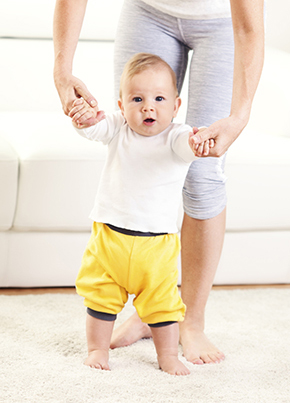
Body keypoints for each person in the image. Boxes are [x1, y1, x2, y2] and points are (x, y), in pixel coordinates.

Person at [54, 0, 264, 365]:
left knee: (203, 172)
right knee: (134, 134)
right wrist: (62, 70)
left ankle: (191, 321)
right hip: (148, 10)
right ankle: (148, 315)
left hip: (221, 23)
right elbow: (106, 127)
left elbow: (248, 26)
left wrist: (240, 116)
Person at [71, 52, 215, 375]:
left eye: (159, 99)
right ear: (122, 105)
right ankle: (97, 350)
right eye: (137, 99)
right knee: (100, 299)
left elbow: (187, 147)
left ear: (176, 106)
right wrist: (86, 119)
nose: (148, 107)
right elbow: (94, 129)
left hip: (156, 247)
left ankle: (168, 356)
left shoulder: (176, 136)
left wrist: (199, 142)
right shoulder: (117, 127)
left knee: (163, 306)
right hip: (110, 240)